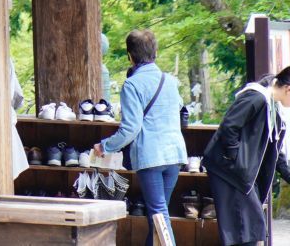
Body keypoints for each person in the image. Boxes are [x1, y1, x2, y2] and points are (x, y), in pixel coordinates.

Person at [96, 29, 188, 238]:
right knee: (156, 216)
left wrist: (105, 146)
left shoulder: (132, 84)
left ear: (130, 56)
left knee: (158, 215)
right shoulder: (170, 81)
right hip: (174, 155)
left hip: (151, 157)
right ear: (155, 52)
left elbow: (131, 128)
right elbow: (179, 106)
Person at [202, 64, 290, 244]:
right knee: (246, 231)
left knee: (250, 230)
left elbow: (275, 151)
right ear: (288, 89)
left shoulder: (273, 108)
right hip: (228, 171)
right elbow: (229, 126)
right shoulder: (256, 97)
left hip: (241, 174)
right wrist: (236, 158)